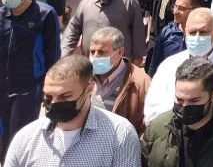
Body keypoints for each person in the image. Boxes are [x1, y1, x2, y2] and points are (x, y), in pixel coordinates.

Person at [5, 55, 140, 167]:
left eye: (65, 96)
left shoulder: (119, 134)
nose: (54, 103)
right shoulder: (25, 138)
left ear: (89, 89)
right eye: (48, 96)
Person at [144, 8, 213, 124]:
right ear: (185, 32)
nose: (197, 37)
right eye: (192, 32)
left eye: (203, 32)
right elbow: (152, 109)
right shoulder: (169, 65)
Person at [0, 0, 61, 158]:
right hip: (2, 86)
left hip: (28, 88)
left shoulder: (45, 14)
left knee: (20, 137)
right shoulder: (1, 14)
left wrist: (49, 88)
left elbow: (53, 54)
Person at [60, 0, 146, 63]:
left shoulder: (129, 1)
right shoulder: (86, 2)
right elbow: (73, 28)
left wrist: (138, 58)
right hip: (90, 63)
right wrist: (64, 54)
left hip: (119, 64)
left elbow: (138, 30)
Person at [88, 26, 150, 136]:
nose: (95, 57)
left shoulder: (141, 82)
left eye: (102, 52)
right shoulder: (83, 78)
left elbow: (146, 127)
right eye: (92, 52)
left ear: (120, 52)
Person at [148, 0, 206, 77]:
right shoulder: (167, 32)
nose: (175, 12)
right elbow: (154, 65)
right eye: (175, 6)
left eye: (182, 8)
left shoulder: (207, 36)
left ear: (196, 9)